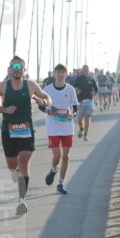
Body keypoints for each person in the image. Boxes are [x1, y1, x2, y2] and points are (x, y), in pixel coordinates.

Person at [0, 55, 50, 216]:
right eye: (13, 67)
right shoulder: (3, 86)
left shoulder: (31, 85)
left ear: (24, 69)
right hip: (8, 131)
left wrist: (44, 102)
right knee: (12, 165)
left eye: (19, 66)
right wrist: (5, 110)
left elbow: (46, 97)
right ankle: (14, 169)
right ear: (9, 70)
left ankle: (22, 200)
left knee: (24, 160)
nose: (16, 69)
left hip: (26, 130)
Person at [43, 64, 77, 194]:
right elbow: (41, 105)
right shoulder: (47, 89)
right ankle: (53, 170)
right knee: (57, 156)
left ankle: (61, 184)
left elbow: (75, 107)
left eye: (63, 72)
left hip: (67, 127)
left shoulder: (70, 90)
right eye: (58, 72)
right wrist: (48, 111)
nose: (61, 74)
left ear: (66, 74)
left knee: (66, 157)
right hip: (53, 127)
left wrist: (72, 114)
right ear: (54, 73)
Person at [72, 64, 99, 140]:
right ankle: (81, 129)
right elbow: (73, 89)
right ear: (82, 71)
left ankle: (86, 134)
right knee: (79, 119)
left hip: (89, 101)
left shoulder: (91, 79)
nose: (86, 71)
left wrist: (94, 93)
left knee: (87, 117)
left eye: (87, 70)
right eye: (84, 70)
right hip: (81, 102)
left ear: (89, 70)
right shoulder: (78, 79)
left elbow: (96, 89)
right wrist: (77, 91)